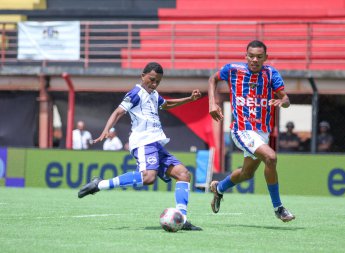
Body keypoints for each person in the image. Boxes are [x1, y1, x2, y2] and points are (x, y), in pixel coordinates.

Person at [78, 62, 202, 231]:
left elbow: (167, 105)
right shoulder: (136, 93)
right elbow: (118, 112)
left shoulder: (154, 94)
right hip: (143, 142)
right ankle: (100, 184)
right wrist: (106, 131)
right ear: (142, 76)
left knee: (183, 174)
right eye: (151, 79)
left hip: (156, 143)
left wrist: (189, 99)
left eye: (158, 81)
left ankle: (182, 219)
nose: (154, 84)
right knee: (148, 178)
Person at [208, 40, 295, 222]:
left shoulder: (271, 74)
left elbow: (285, 98)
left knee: (247, 174)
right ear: (245, 56)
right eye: (251, 56)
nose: (255, 59)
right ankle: (278, 208)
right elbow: (213, 79)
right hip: (241, 129)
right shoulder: (233, 70)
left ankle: (219, 188)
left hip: (261, 131)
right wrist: (212, 102)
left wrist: (283, 102)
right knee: (271, 157)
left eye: (259, 56)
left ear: (265, 58)